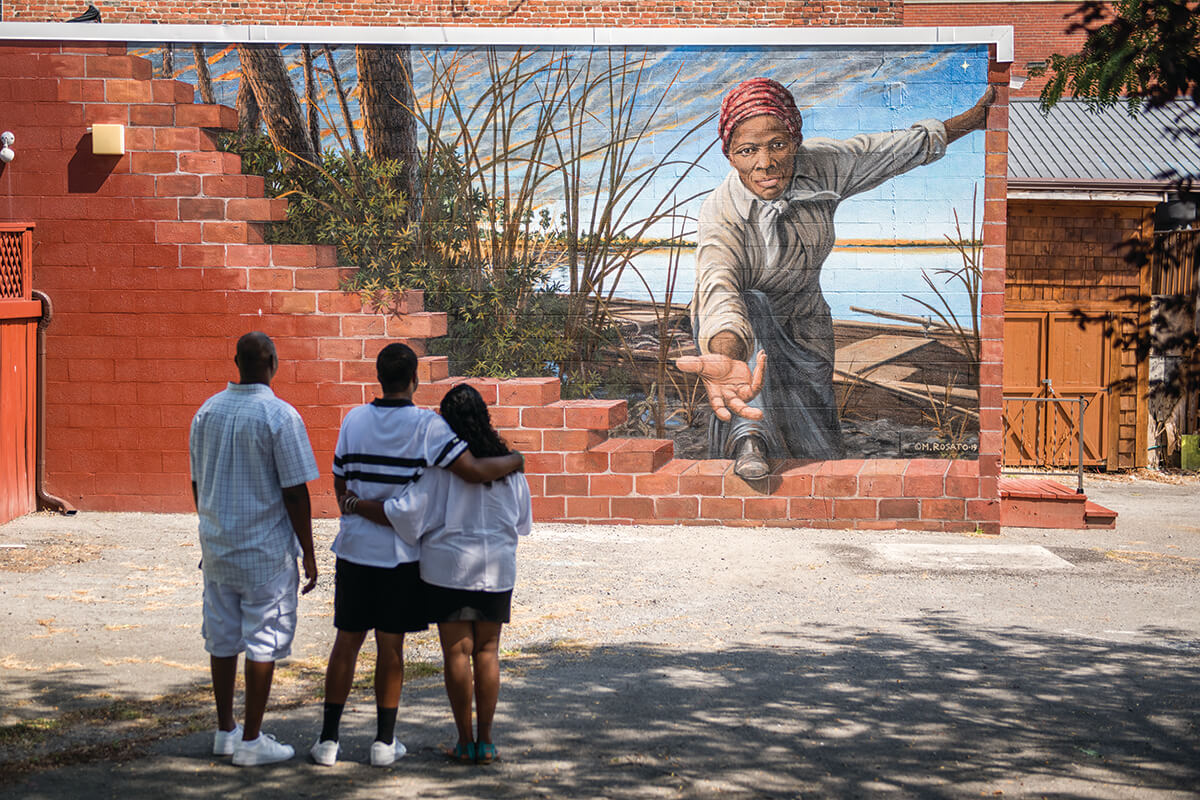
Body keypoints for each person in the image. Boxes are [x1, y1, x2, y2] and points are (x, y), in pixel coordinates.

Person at [677, 77, 994, 479]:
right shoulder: (721, 212)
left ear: (795, 140)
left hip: (804, 320)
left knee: (819, 446)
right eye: (747, 151)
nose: (764, 162)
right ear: (731, 156)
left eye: (777, 145)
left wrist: (971, 121)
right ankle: (748, 441)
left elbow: (893, 151)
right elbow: (719, 288)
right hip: (740, 326)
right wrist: (726, 353)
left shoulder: (823, 165)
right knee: (752, 305)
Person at [310, 344, 524, 768]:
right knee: (391, 647)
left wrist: (353, 507)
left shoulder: (352, 419)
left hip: (352, 549)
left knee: (346, 642)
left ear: (378, 376)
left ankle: (328, 741)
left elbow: (339, 480)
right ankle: (384, 743)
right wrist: (516, 458)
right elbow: (473, 472)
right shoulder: (428, 426)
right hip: (397, 556)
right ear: (415, 380)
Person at [189, 331, 319, 767]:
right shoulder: (279, 416)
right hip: (265, 552)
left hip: (219, 548)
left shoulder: (206, 412)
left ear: (236, 361)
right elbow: (296, 493)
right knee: (263, 639)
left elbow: (196, 483)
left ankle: (225, 731)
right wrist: (310, 552)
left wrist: (209, 528)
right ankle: (251, 739)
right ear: (274, 363)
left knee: (222, 638)